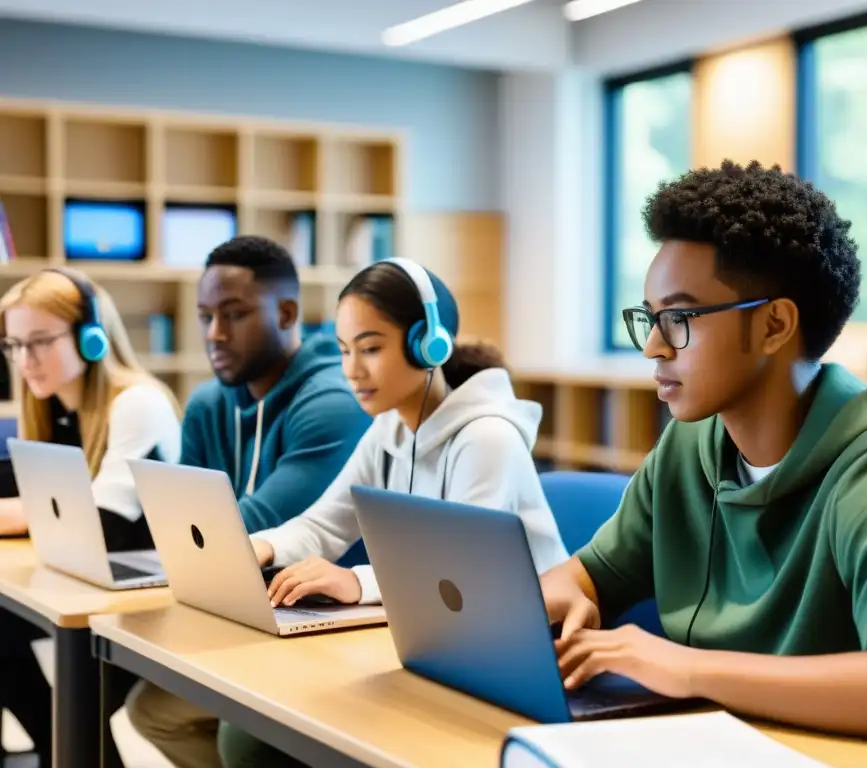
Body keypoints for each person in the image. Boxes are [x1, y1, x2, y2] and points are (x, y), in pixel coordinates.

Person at [540, 160, 867, 761]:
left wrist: (688, 668)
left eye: (678, 319)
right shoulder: (690, 446)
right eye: (649, 318)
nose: (652, 345)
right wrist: (570, 594)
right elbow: (582, 578)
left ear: (775, 324)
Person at [217, 258, 569, 767]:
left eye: (371, 348)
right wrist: (257, 546)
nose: (351, 370)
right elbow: (326, 522)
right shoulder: (390, 429)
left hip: (512, 658)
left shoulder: (487, 438)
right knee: (250, 731)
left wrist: (355, 582)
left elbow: (462, 576)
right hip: (432, 645)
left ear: (430, 345)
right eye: (343, 351)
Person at [124, 235, 372, 768]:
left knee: (188, 716)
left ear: (286, 313)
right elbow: (179, 532)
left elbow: (254, 533)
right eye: (205, 315)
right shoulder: (210, 401)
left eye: (233, 314)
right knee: (151, 707)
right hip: (242, 616)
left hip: (330, 626)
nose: (214, 333)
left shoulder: (333, 403)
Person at [0, 267, 183, 768]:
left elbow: (96, 521)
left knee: (68, 700)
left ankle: (60, 750)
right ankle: (53, 750)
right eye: (13, 345)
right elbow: (31, 497)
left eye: (39, 341)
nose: (25, 360)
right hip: (92, 585)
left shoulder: (137, 403)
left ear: (92, 338)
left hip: (153, 597)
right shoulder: (56, 409)